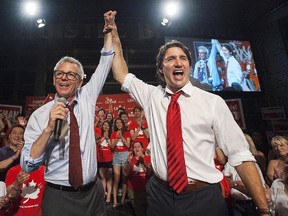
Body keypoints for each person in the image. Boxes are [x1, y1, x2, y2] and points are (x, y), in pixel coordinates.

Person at [110, 24, 270, 215]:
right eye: (171, 59)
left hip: (204, 197)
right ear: (161, 69)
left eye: (183, 58)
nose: (178, 62)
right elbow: (121, 74)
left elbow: (240, 156)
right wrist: (114, 35)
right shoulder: (152, 96)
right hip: (160, 196)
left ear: (188, 66)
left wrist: (264, 210)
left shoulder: (212, 102)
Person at [20, 10, 118, 216]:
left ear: (80, 81)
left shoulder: (87, 97)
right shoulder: (40, 115)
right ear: (54, 78)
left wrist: (109, 31)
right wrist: (48, 129)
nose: (64, 78)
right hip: (59, 196)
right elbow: (28, 164)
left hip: (92, 193)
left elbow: (105, 62)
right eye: (59, 74)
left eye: (71, 74)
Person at [123, 141, 151, 216]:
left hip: (146, 191)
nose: (136, 148)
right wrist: (128, 161)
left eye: (138, 147)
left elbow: (150, 173)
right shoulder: (130, 159)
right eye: (134, 147)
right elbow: (125, 174)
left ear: (142, 148)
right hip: (133, 191)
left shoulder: (148, 158)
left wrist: (143, 163)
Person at [111, 118, 131, 208]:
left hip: (125, 155)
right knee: (116, 179)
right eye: (117, 123)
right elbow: (111, 146)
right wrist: (116, 138)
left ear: (123, 124)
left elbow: (128, 145)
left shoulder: (127, 133)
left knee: (124, 179)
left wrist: (121, 138)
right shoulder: (113, 134)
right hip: (116, 155)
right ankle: (115, 200)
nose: (118, 124)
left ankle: (122, 199)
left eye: (120, 122)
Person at [96, 120, 113, 205]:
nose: (106, 126)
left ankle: (109, 196)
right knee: (102, 178)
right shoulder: (99, 134)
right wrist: (103, 137)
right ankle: (103, 195)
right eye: (104, 125)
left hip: (109, 159)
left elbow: (112, 146)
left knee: (109, 178)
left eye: (107, 125)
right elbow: (97, 143)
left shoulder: (111, 135)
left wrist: (108, 138)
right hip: (100, 159)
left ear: (110, 127)